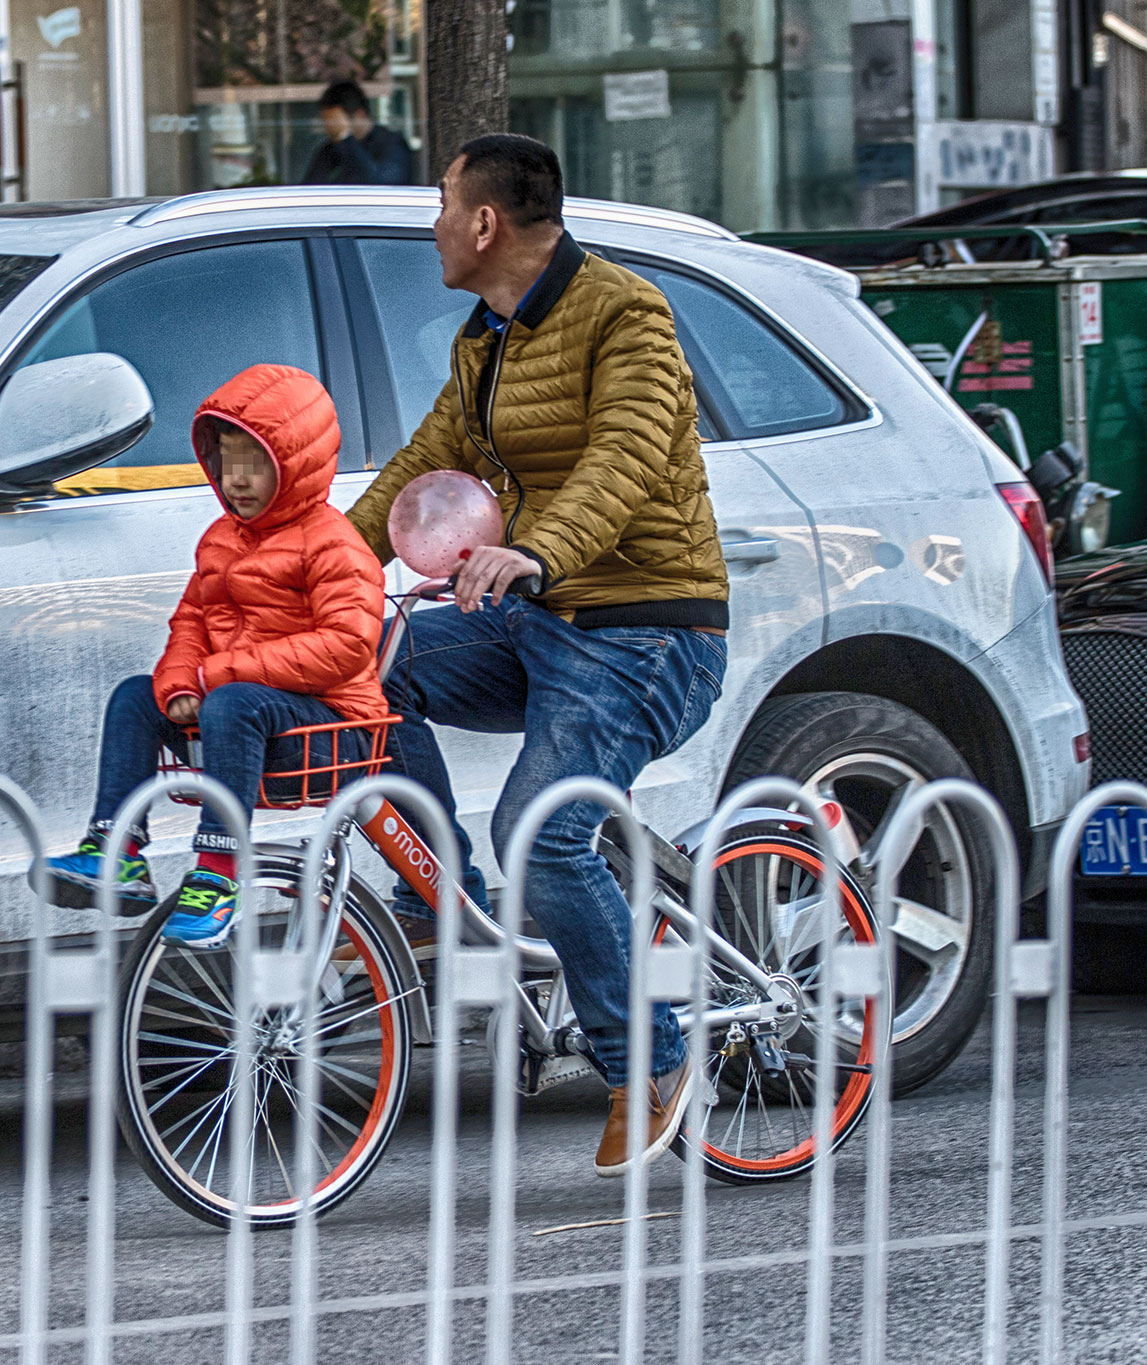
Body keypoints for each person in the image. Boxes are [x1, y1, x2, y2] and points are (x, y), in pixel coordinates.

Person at [345, 134, 730, 1176]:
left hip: (646, 631)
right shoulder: (484, 338)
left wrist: (535, 552)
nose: (429, 224)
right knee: (374, 668)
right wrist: (313, 564)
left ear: (484, 223)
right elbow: (422, 467)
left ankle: (646, 1061)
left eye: (439, 205)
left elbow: (623, 455)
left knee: (542, 832)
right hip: (537, 622)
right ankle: (445, 902)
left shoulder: (625, 313)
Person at [34, 364, 389, 949]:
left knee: (233, 700)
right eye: (226, 461)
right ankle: (115, 849)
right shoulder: (219, 538)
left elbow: (349, 645)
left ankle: (218, 876)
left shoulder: (333, 543)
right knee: (134, 694)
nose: (236, 479)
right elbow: (192, 621)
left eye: (256, 462)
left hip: (332, 728)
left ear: (295, 464)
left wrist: (218, 675)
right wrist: (179, 683)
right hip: (246, 718)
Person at [300, 81, 413, 186]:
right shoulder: (330, 149)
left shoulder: (391, 143)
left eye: (335, 121)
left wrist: (345, 136)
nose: (329, 127)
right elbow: (311, 185)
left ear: (360, 115)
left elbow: (381, 183)